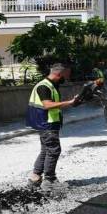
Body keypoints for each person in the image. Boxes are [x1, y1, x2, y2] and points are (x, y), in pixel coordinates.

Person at [26, 63, 78, 191]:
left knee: (46, 150)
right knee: (54, 150)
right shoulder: (44, 86)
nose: (66, 78)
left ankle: (35, 177)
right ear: (58, 74)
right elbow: (47, 105)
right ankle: (49, 180)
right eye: (65, 75)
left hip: (46, 122)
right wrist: (69, 103)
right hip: (46, 123)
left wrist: (74, 102)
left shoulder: (51, 84)